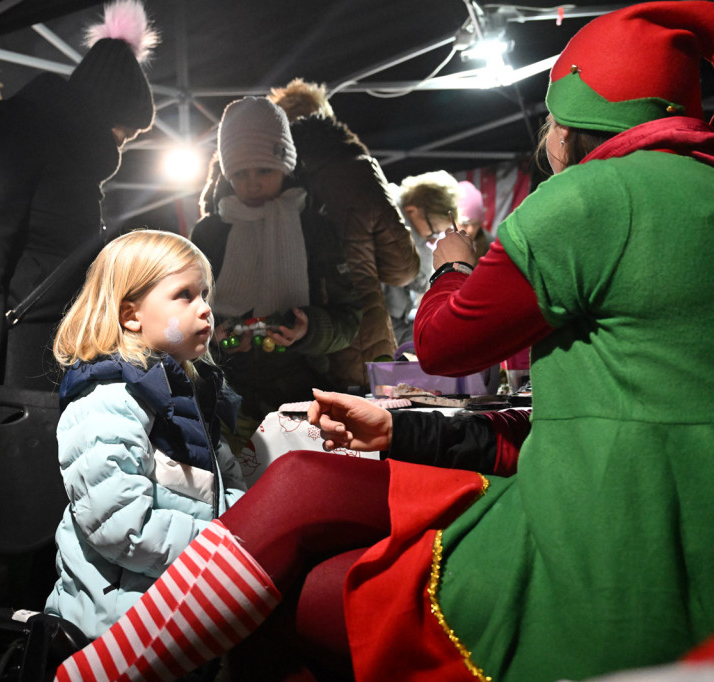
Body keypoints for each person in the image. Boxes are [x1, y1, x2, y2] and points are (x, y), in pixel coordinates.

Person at [53, 3, 714, 680]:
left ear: (573, 122)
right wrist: (401, 430)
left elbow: (444, 341)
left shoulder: (585, 198)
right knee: (300, 495)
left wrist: (451, 265)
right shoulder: (699, 187)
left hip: (598, 525)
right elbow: (600, 404)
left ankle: (98, 673)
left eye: (551, 118)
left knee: (300, 559)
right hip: (659, 515)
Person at [0, 0, 159, 402]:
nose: (124, 142)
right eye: (126, 130)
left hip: (45, 355)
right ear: (108, 109)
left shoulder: (71, 161)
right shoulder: (17, 126)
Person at [43, 229, 247, 641]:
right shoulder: (108, 401)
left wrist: (256, 532)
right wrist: (223, 549)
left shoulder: (189, 393)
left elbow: (228, 491)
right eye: (184, 295)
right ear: (130, 315)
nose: (205, 309)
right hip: (120, 620)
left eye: (205, 294)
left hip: (179, 593)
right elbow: (121, 528)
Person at [191, 96, 361, 451]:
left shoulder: (315, 227)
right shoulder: (208, 234)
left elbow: (349, 319)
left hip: (304, 399)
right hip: (228, 401)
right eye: (239, 173)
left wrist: (309, 329)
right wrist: (219, 339)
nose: (251, 184)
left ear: (286, 165)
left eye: (264, 170)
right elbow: (188, 318)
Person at [268, 79, 420, 388]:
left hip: (283, 353)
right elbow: (402, 268)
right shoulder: (355, 168)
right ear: (325, 118)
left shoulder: (262, 178)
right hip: (361, 352)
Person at [382, 169, 460, 345]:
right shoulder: (394, 239)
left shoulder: (394, 224)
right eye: (434, 232)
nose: (433, 240)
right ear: (412, 211)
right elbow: (387, 321)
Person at [454, 180, 492, 262]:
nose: (470, 230)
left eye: (476, 224)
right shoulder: (433, 243)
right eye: (464, 224)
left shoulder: (488, 247)